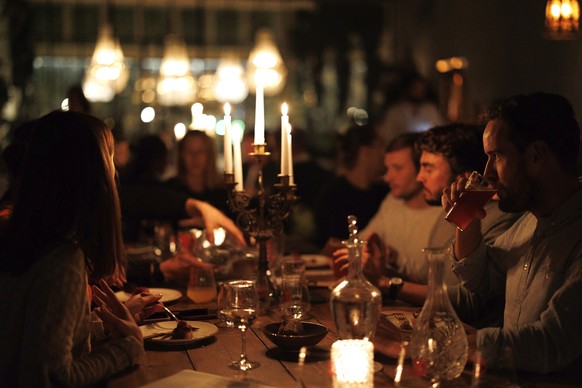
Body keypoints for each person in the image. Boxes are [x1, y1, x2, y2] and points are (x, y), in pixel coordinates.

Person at [0, 110, 144, 386]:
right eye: (109, 157)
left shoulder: (19, 240)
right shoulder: (62, 263)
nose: (114, 170)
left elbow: (26, 338)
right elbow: (51, 378)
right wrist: (127, 348)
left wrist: (100, 328)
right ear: (93, 174)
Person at [443, 93, 582, 373]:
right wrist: (466, 220)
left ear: (535, 156)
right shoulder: (529, 222)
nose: (486, 173)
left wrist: (447, 343)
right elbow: (480, 284)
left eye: (496, 156)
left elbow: (552, 342)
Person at [361, 124, 521, 322]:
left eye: (428, 168)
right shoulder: (446, 213)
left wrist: (386, 283)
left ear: (464, 177)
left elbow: (471, 303)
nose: (419, 178)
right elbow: (428, 283)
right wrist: (381, 269)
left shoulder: (501, 219)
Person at [334, 132, 442, 282]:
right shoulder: (392, 201)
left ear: (421, 169)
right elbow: (364, 239)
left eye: (397, 168)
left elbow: (433, 280)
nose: (387, 177)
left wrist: (394, 259)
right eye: (387, 168)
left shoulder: (443, 214)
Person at [315, 123, 388, 248]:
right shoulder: (333, 197)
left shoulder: (386, 195)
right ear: (366, 152)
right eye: (381, 148)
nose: (385, 156)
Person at [163, 130, 231, 217]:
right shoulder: (170, 190)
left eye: (200, 151)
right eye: (189, 151)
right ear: (181, 155)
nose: (195, 157)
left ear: (209, 155)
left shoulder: (223, 192)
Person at [378, 72, 444, 145]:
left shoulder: (431, 110)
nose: (419, 92)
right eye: (416, 88)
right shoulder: (395, 112)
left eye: (421, 88)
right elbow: (388, 135)